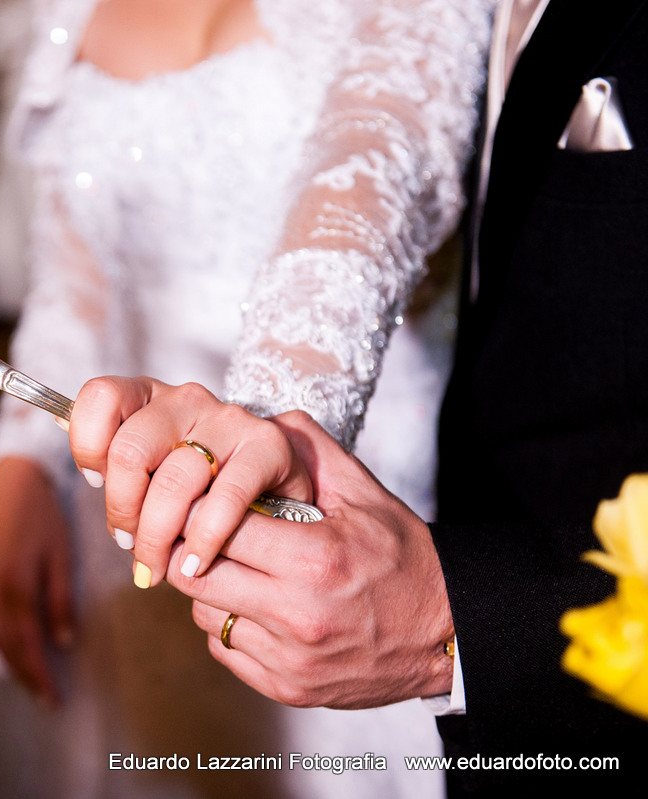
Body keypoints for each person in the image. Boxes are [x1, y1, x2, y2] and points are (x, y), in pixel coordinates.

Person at [61, 0, 648, 794]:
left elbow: (379, 146)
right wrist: (23, 465)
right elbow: (70, 268)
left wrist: (272, 423)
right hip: (276, 540)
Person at [0, 1, 490, 797]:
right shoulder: (66, 12)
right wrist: (21, 463)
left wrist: (262, 438)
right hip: (125, 518)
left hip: (330, 534)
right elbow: (78, 284)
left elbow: (366, 186)